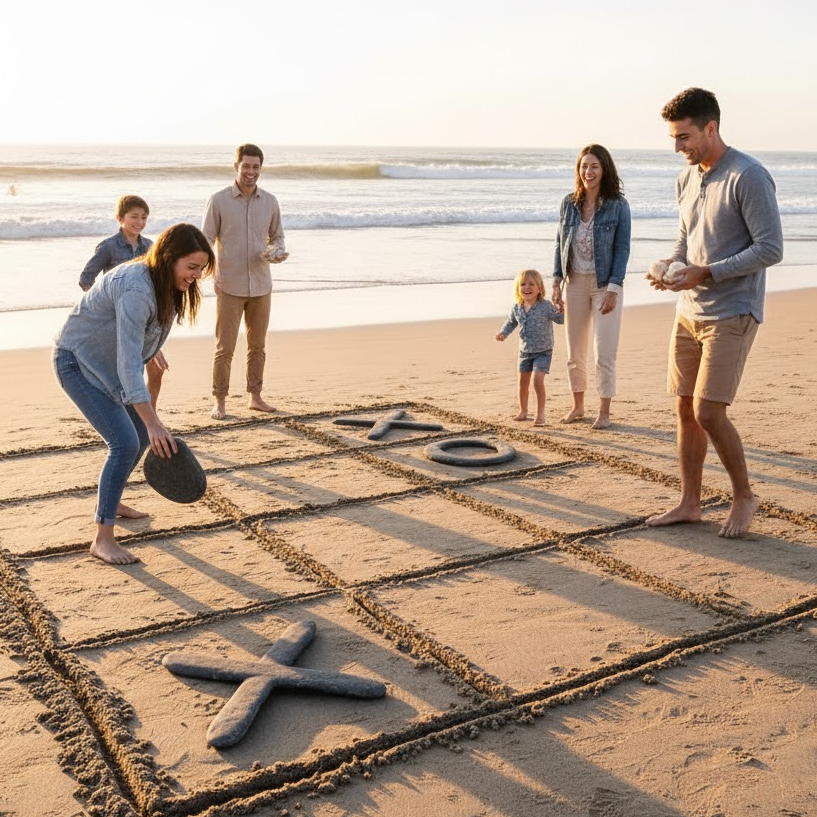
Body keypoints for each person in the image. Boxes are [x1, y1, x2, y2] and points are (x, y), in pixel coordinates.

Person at [646, 87, 783, 539]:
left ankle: (744, 495)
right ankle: (690, 502)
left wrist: (705, 273)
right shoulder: (686, 178)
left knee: (709, 411)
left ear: (711, 128)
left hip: (734, 309)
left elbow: (770, 248)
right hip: (689, 311)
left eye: (684, 137)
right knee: (684, 408)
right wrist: (669, 267)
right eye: (673, 138)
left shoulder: (749, 176)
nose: (678, 147)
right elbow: (685, 239)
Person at [53, 223, 215, 565]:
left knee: (137, 437)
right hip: (78, 362)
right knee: (127, 442)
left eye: (201, 269)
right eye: (191, 267)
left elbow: (141, 333)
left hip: (106, 364)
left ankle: (111, 502)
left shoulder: (164, 282)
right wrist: (155, 422)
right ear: (170, 258)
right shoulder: (136, 288)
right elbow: (129, 368)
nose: (196, 276)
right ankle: (102, 538)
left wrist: (151, 349)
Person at [203, 143, 288, 421]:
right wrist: (212, 272)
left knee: (258, 345)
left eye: (255, 167)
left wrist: (276, 253)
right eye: (246, 166)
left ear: (260, 168)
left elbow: (277, 238)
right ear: (236, 166)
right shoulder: (218, 200)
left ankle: (255, 396)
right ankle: (220, 401)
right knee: (224, 347)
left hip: (262, 285)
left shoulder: (270, 201)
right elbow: (205, 241)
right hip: (229, 284)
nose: (251, 172)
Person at [552, 144, 631, 429]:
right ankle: (578, 406)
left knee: (604, 351)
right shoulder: (568, 203)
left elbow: (622, 249)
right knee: (574, 352)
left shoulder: (618, 206)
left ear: (604, 169)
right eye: (584, 166)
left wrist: (613, 288)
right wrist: (556, 281)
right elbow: (560, 243)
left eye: (594, 166)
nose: (589, 172)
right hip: (574, 282)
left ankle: (605, 411)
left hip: (604, 284)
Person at [78, 195, 167, 408]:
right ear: (120, 218)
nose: (139, 221)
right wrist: (102, 307)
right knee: (127, 370)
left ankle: (149, 412)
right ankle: (126, 414)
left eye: (144, 217)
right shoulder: (108, 247)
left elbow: (157, 281)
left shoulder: (150, 247)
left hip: (145, 317)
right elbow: (85, 279)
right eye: (134, 216)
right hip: (116, 319)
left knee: (156, 369)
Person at [496, 269, 564, 427]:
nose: (527, 287)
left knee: (537, 381)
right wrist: (503, 333)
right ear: (518, 288)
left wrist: (562, 309)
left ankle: (541, 414)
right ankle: (523, 410)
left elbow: (560, 320)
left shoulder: (545, 306)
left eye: (531, 284)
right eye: (523, 284)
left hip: (543, 351)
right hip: (524, 352)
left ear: (539, 288)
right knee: (522, 382)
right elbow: (511, 322)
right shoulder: (517, 307)